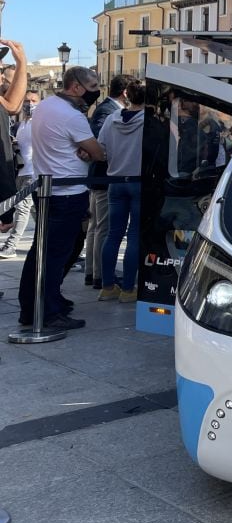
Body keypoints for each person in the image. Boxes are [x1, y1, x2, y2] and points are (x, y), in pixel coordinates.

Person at [17, 66, 105, 330]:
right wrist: (89, 151)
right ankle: (48, 312)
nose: (96, 92)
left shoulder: (45, 106)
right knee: (55, 256)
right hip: (67, 193)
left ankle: (34, 305)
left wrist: (83, 150)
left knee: (39, 253)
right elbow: (98, 152)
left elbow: (74, 146)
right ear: (76, 87)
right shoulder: (72, 116)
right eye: (93, 87)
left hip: (47, 189)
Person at [97, 80, 145, 303]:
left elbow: (101, 149)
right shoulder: (150, 122)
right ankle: (128, 289)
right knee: (134, 235)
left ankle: (107, 287)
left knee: (113, 234)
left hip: (115, 181)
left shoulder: (111, 119)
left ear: (128, 96)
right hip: (138, 181)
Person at [85, 74, 131, 287]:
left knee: (97, 226)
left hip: (99, 175)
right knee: (103, 227)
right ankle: (100, 275)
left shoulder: (105, 108)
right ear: (125, 92)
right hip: (104, 175)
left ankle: (93, 272)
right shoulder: (108, 111)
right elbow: (98, 141)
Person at [0, 90, 40, 259]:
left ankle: (11, 245)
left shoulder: (39, 123)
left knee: (22, 208)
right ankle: (46, 242)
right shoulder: (21, 125)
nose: (29, 104)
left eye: (33, 100)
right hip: (21, 171)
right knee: (34, 211)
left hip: (33, 172)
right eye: (27, 100)